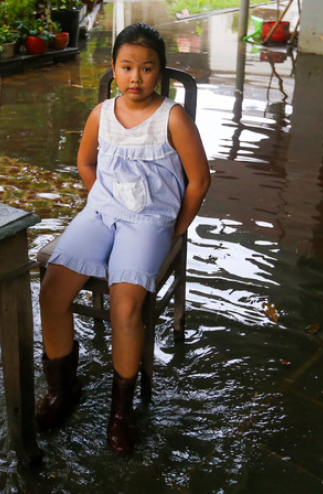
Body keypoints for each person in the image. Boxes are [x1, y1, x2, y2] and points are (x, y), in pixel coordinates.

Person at [36, 22, 211, 454]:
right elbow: (85, 163)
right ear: (113, 68)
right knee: (52, 289)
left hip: (150, 220)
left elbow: (200, 181)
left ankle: (120, 411)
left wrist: (176, 227)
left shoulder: (173, 117)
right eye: (127, 66)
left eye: (147, 69)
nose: (137, 77)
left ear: (161, 73)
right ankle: (64, 390)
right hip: (102, 211)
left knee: (126, 304)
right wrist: (101, 202)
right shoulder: (100, 114)